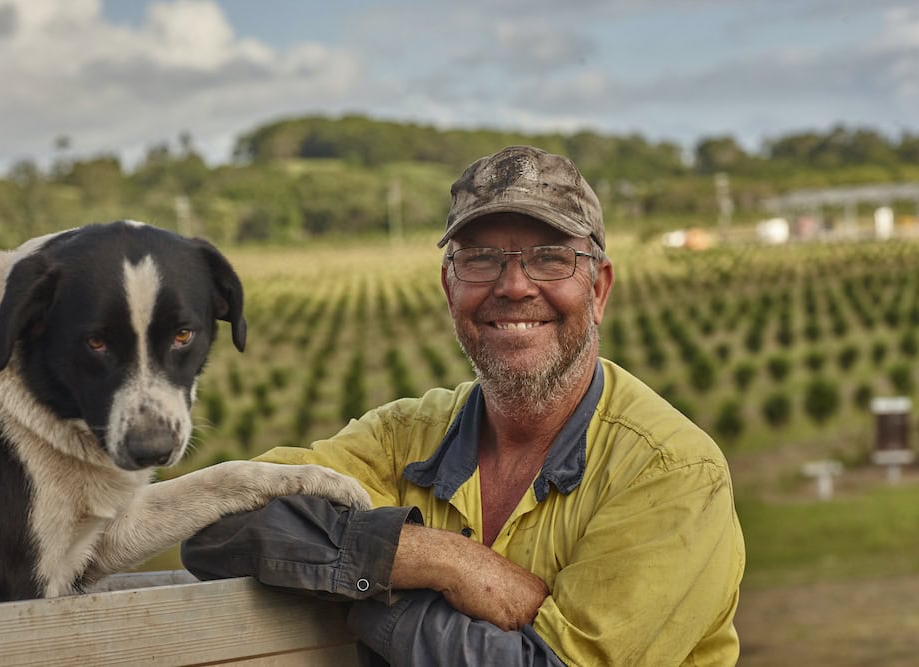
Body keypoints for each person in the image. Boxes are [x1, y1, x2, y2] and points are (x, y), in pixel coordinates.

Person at [182, 145, 746, 665]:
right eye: (480, 259)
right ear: (451, 288)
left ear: (597, 289)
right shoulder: (400, 438)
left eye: (549, 258)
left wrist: (366, 593)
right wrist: (436, 559)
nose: (515, 286)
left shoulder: (671, 472)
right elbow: (214, 519)